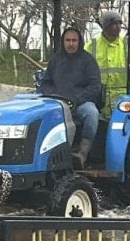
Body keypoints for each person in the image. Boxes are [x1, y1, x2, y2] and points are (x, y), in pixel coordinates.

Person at [43, 26, 102, 167]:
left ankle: (82, 153)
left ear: (79, 42)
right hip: (57, 103)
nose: (71, 44)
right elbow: (45, 83)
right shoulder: (55, 60)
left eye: (74, 40)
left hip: (80, 103)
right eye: (68, 40)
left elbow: (95, 87)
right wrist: (53, 96)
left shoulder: (88, 61)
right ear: (63, 42)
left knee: (92, 113)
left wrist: (76, 100)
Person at [88, 9, 130, 105]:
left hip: (123, 97)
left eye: (120, 23)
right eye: (114, 24)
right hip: (99, 97)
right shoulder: (92, 45)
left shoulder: (127, 43)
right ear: (105, 26)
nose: (118, 27)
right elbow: (82, 64)